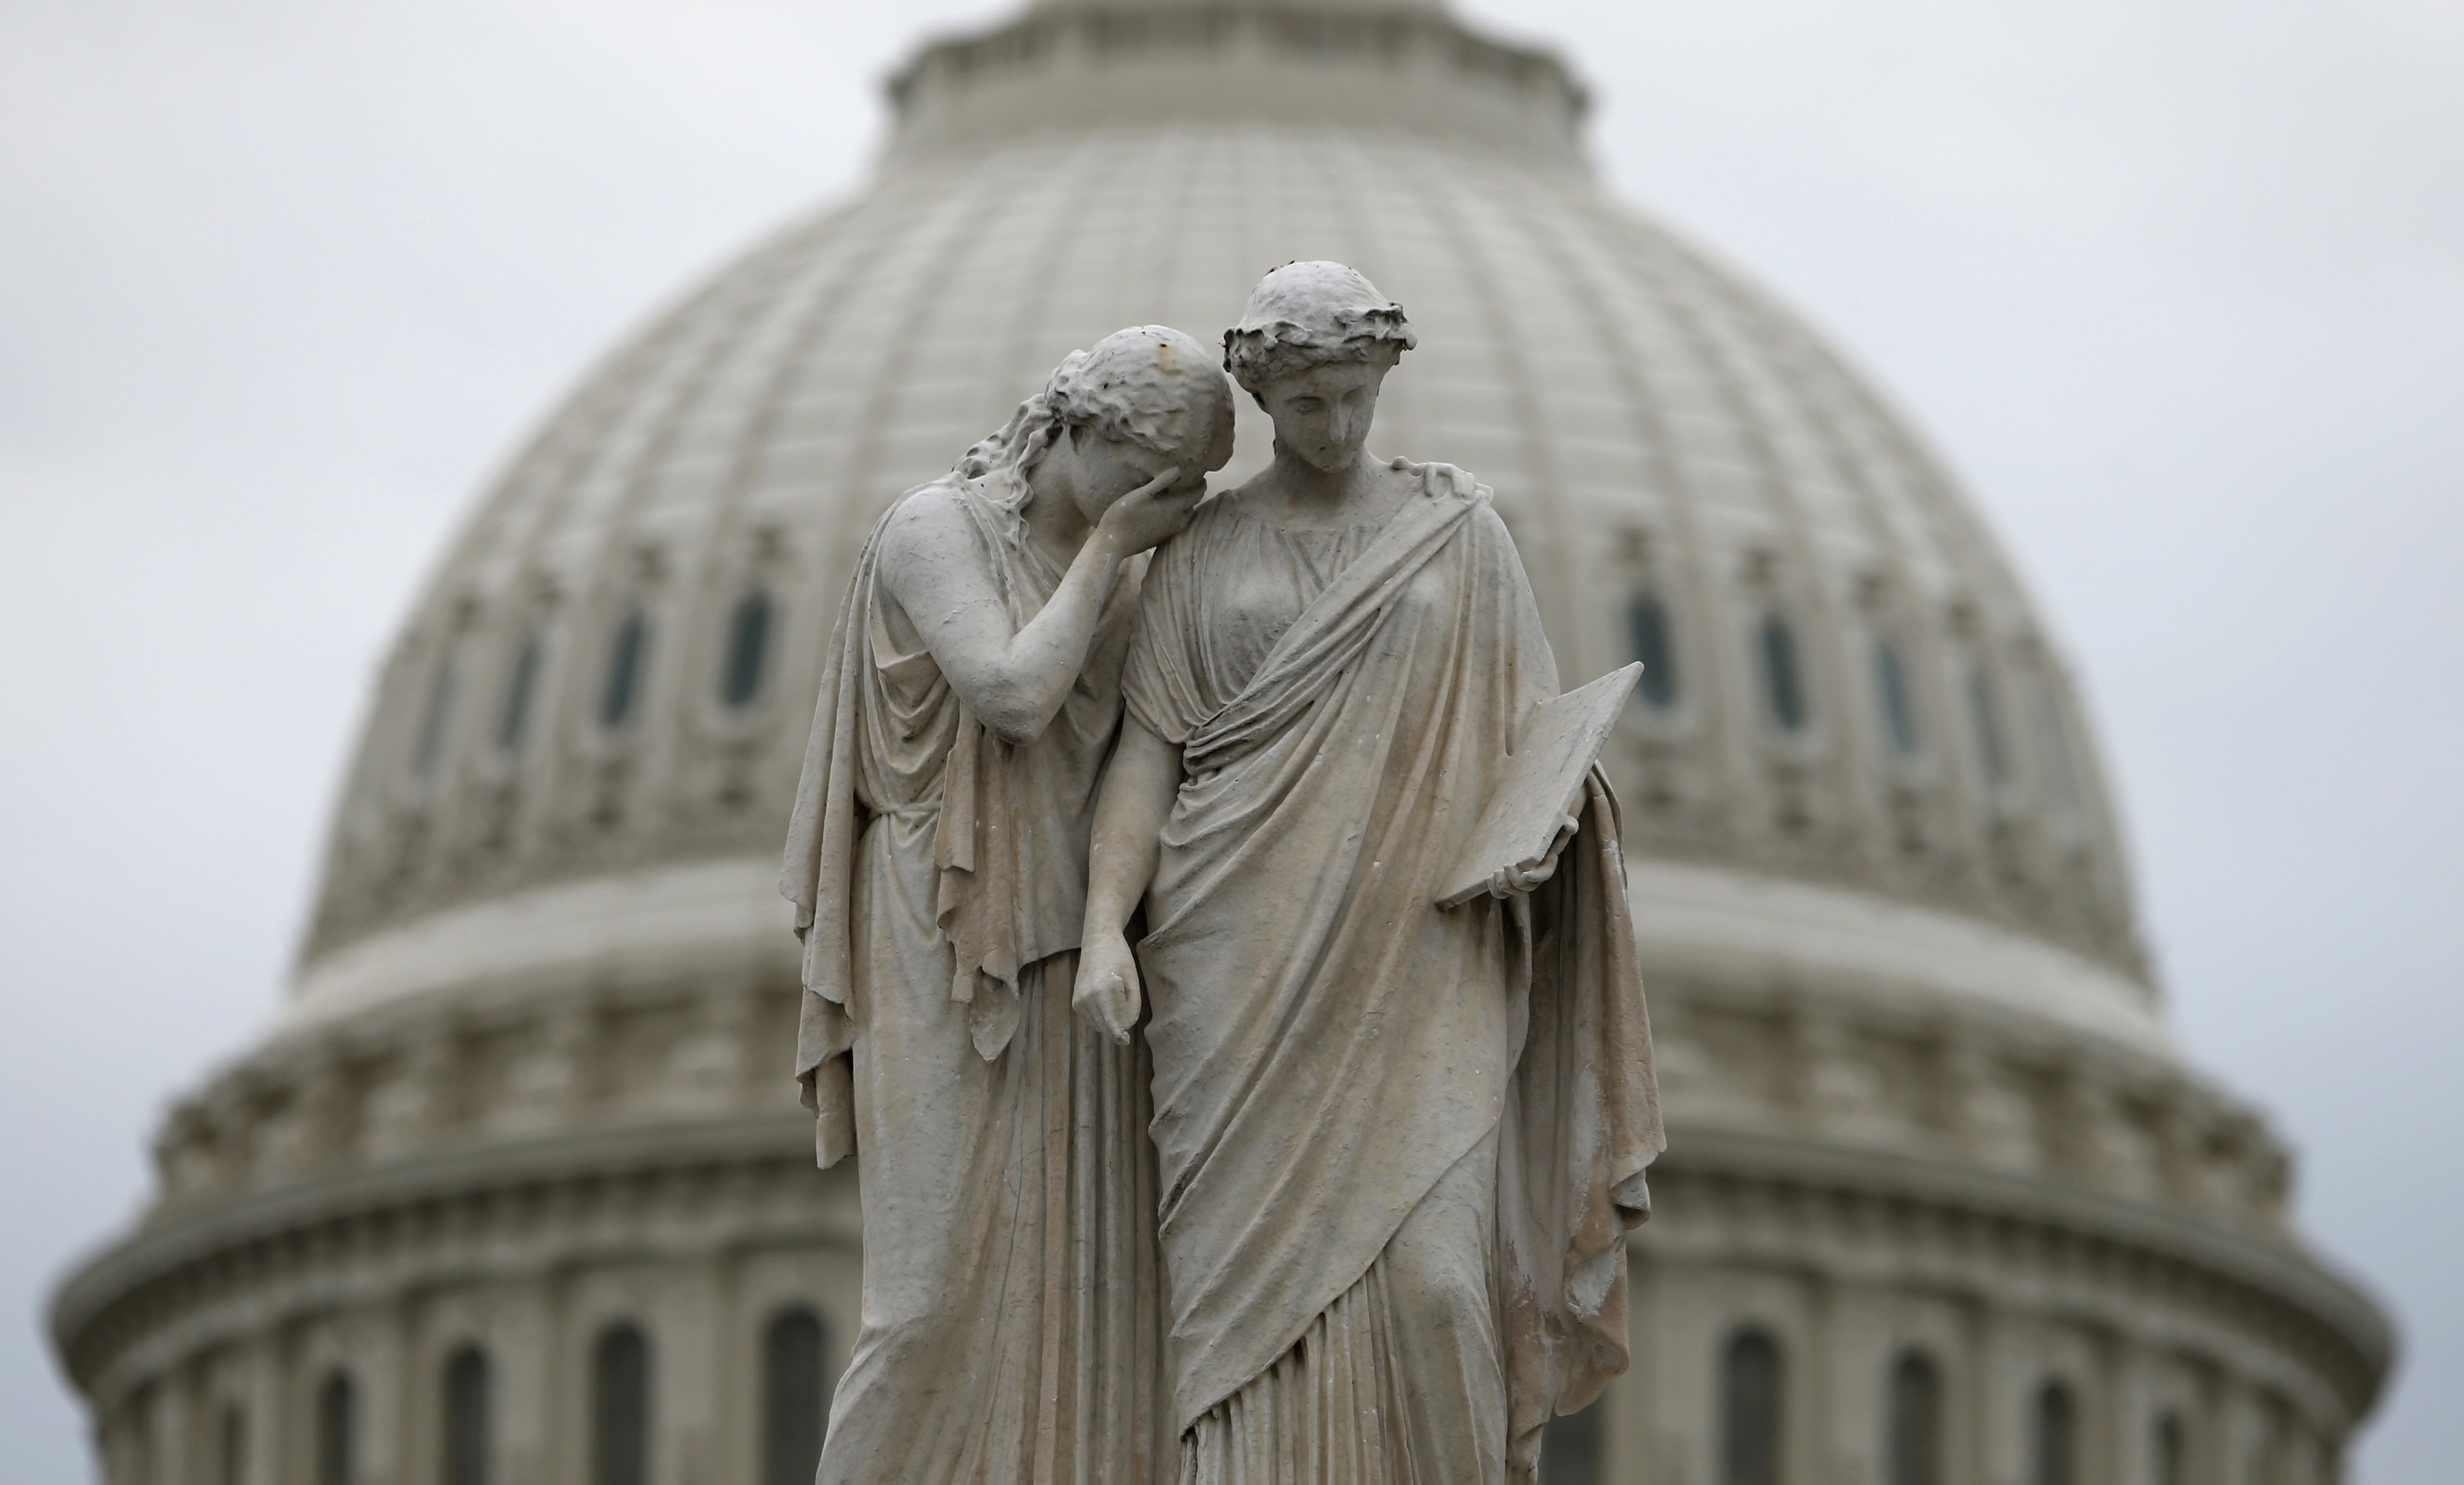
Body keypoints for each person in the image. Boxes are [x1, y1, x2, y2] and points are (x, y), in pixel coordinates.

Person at [1074, 264, 1663, 1484]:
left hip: (1423, 952)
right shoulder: (1204, 549)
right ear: (1262, 396)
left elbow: (1532, 744)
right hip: (1233, 965)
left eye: (1353, 397)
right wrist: (1097, 932)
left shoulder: (1462, 538)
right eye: (1306, 405)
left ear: (1384, 380)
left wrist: (1546, 827)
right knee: (1231, 1316)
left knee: (1440, 1281)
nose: (1334, 427)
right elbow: (1147, 756)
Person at [782, 325, 1235, 1484]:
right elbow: (1013, 693)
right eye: (1150, 474)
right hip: (940, 918)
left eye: (1185, 488)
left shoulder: (1134, 574)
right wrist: (1117, 549)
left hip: (1074, 941)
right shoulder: (936, 529)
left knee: (1079, 1292)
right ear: (1082, 429)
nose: (1163, 502)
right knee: (927, 1300)